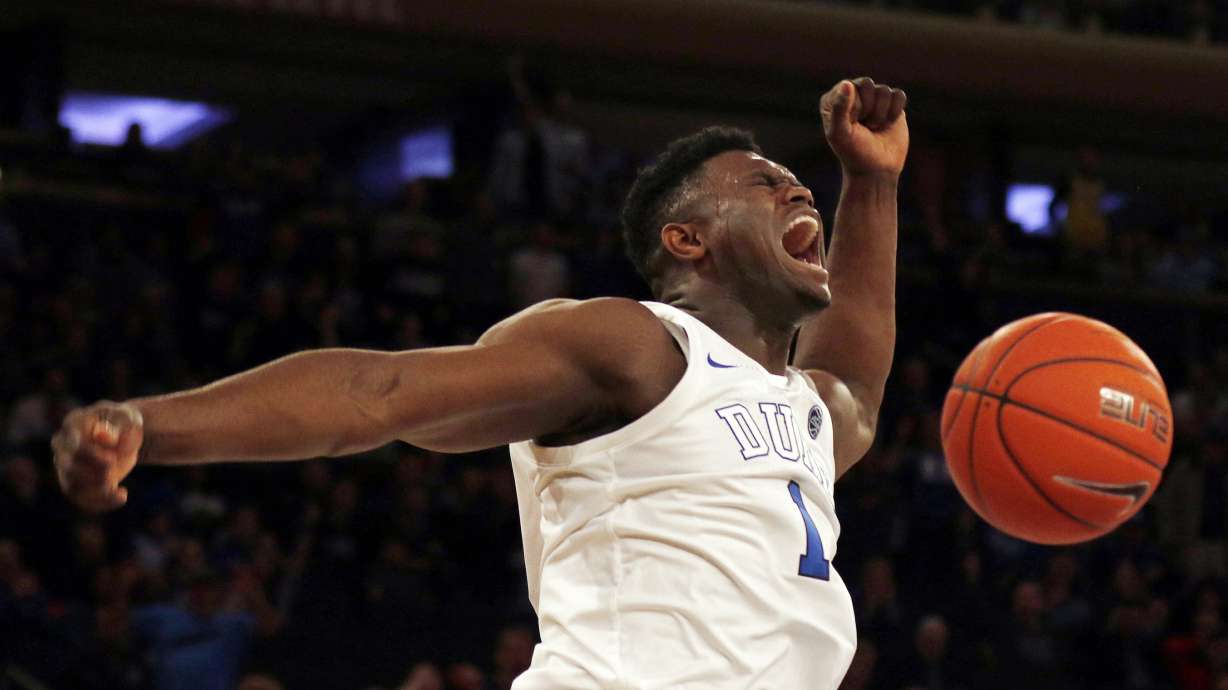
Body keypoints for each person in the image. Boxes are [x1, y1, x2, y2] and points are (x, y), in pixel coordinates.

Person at [51, 77, 908, 690]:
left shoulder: (807, 412)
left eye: (798, 183)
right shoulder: (635, 345)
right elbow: (378, 396)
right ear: (689, 242)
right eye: (764, 183)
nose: (798, 187)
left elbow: (860, 375)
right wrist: (149, 426)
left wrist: (871, 182)